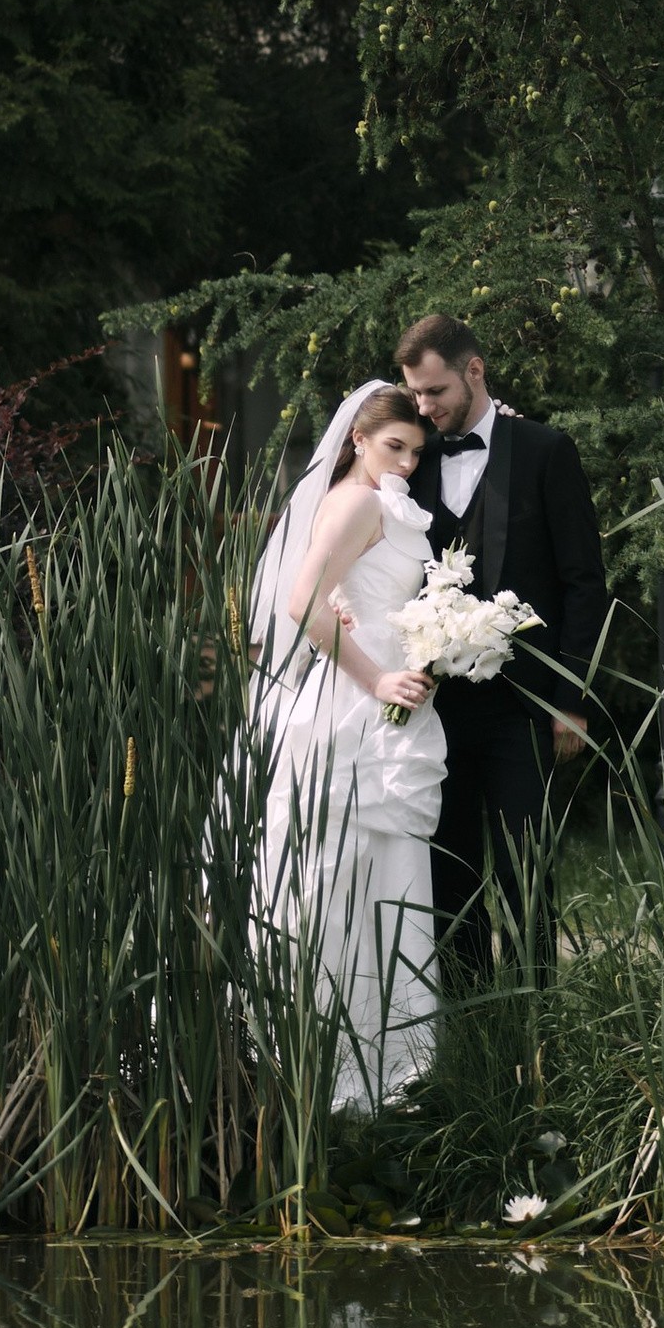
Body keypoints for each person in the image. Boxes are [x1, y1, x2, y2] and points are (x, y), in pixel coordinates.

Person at [393, 315, 607, 987]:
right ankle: (464, 1036)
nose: (424, 407)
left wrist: (571, 701)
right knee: (446, 877)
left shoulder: (545, 451)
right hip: (435, 711)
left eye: (435, 392)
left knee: (525, 874)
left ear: (475, 371)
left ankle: (532, 1034)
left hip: (523, 709)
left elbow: (582, 583)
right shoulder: (412, 459)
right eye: (416, 395)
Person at [249, 381, 445, 1105]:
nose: (405, 464)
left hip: (382, 704)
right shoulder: (357, 501)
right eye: (394, 447)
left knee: (381, 884)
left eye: (417, 453)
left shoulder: (380, 503)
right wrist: (377, 680)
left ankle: (382, 1073)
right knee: (336, 883)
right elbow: (301, 603)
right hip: (350, 709)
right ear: (357, 439)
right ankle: (337, 1072)